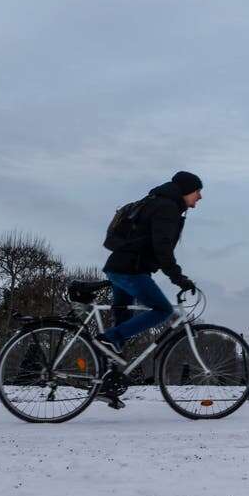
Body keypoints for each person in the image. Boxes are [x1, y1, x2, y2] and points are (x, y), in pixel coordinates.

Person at [93, 171, 202, 408]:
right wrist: (178, 277)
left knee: (122, 320)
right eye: (197, 191)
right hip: (131, 269)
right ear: (186, 190)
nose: (200, 197)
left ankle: (107, 384)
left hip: (119, 267)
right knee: (162, 310)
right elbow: (162, 248)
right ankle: (110, 339)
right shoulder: (167, 209)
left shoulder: (155, 202)